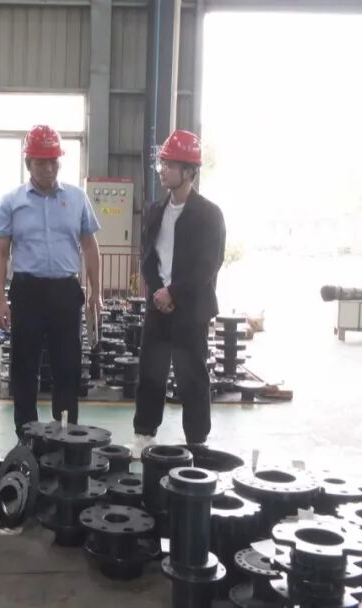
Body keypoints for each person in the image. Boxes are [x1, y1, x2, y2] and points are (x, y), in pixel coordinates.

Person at [0, 124, 102, 435]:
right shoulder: (11, 201)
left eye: (54, 161)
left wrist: (96, 291)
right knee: (24, 368)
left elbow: (90, 245)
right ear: (28, 163)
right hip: (27, 291)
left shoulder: (77, 198)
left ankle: (66, 435)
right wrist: (0, 299)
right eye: (41, 162)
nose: (49, 168)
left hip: (65, 292)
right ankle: (26, 435)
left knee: (67, 367)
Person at [132, 129, 226, 454]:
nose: (163, 170)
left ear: (189, 171)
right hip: (158, 306)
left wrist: (173, 292)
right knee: (151, 372)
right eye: (163, 164)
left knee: (192, 376)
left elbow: (209, 264)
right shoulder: (155, 211)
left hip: (191, 309)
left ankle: (197, 442)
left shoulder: (209, 215)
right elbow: (147, 256)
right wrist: (158, 291)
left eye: (170, 165)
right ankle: (144, 436)